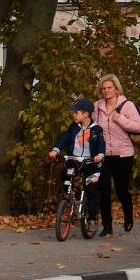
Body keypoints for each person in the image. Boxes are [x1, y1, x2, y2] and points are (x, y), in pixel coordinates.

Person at [94, 74, 140, 236]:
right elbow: (92, 126)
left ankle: (128, 215)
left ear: (116, 89)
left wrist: (121, 119)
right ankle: (107, 226)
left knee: (121, 190)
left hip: (123, 154)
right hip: (104, 155)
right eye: (104, 88)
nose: (106, 91)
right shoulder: (97, 106)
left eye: (109, 88)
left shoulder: (126, 105)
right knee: (104, 189)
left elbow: (138, 126)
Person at [48, 98, 104, 230]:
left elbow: (101, 144)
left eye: (76, 112)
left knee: (91, 190)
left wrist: (100, 156)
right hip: (75, 160)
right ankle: (68, 194)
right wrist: (55, 150)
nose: (73, 115)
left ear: (86, 114)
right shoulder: (73, 128)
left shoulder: (96, 129)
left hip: (90, 163)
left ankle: (92, 219)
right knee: (65, 171)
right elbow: (64, 139)